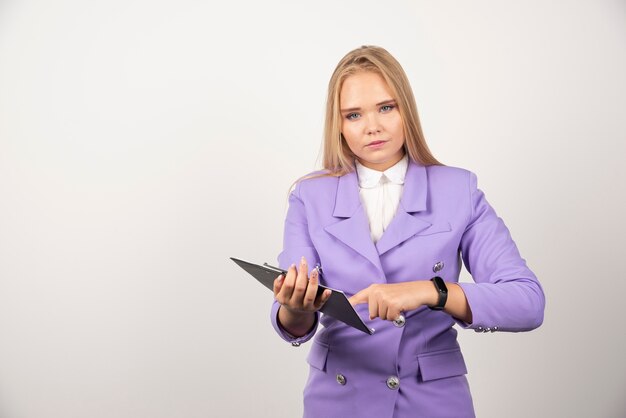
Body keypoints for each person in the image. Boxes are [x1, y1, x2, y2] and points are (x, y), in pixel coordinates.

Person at [270, 45, 545, 418]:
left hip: (434, 401)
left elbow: (527, 302)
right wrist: (293, 306)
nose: (373, 127)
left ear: (407, 109)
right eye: (353, 115)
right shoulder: (308, 196)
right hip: (337, 399)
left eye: (386, 107)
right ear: (338, 124)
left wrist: (429, 291)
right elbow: (293, 324)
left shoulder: (458, 189)